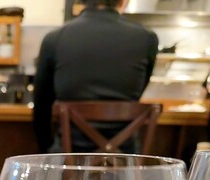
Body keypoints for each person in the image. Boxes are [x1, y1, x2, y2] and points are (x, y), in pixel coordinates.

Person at [33, 0, 159, 153]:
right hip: (124, 157)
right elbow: (138, 92)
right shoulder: (147, 38)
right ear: (123, 2)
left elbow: (41, 107)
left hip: (69, 155)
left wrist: (47, 154)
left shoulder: (55, 38)